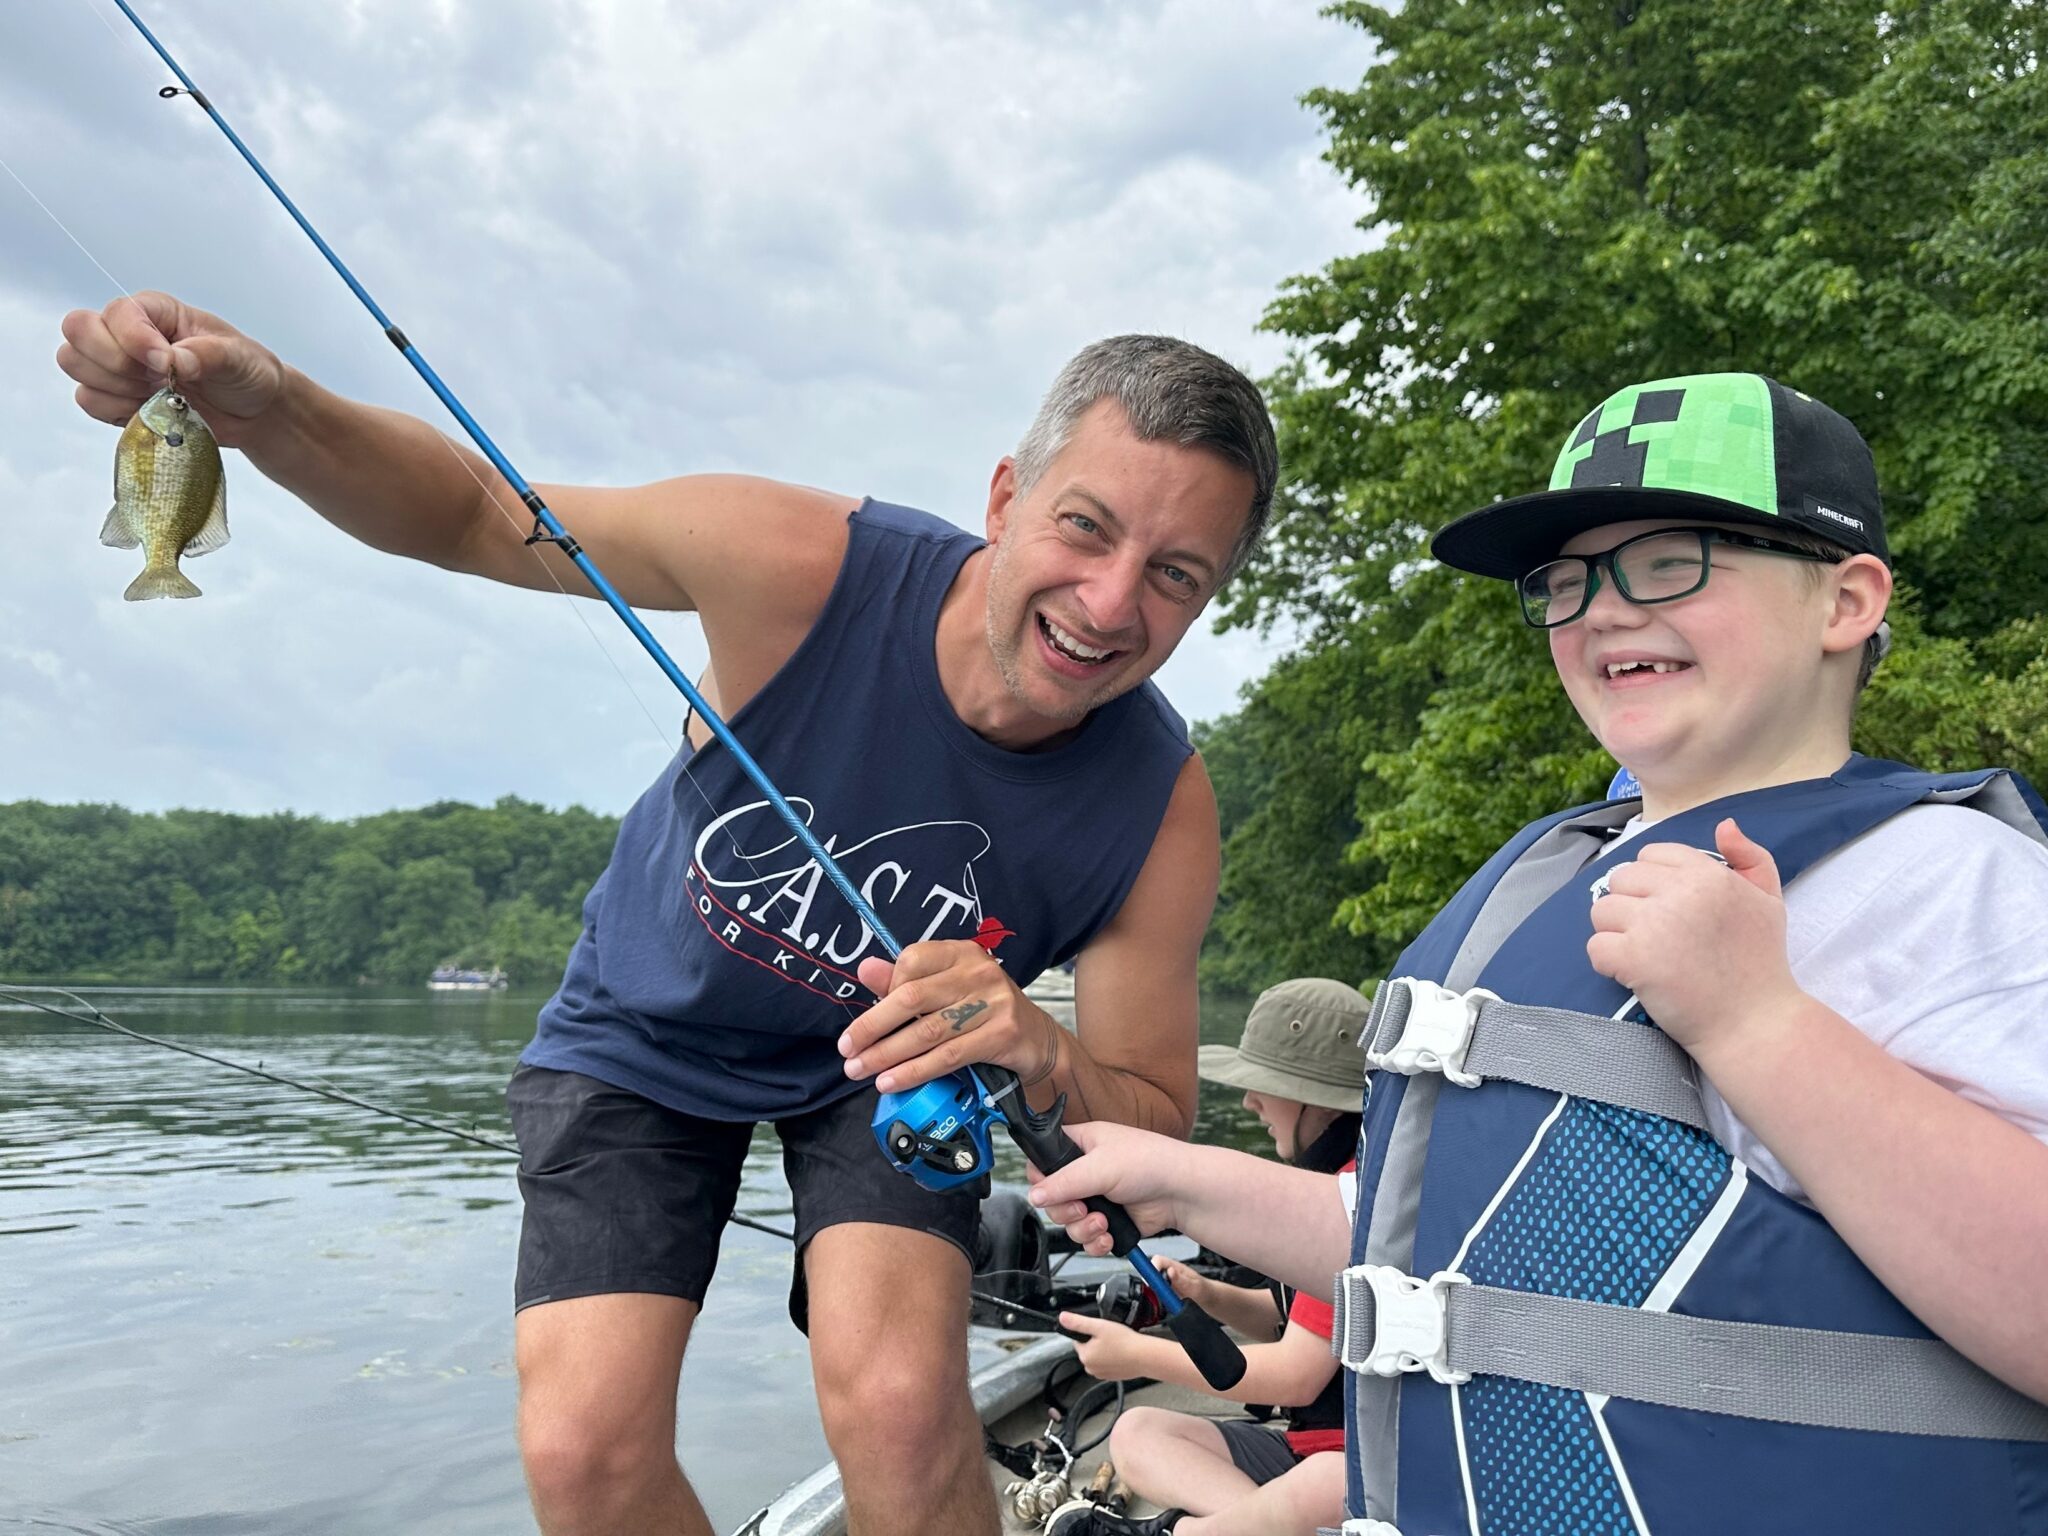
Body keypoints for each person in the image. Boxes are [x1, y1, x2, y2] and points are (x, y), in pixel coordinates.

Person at [57, 292, 1278, 1536]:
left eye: (1174, 575)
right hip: (642, 1030)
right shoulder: (801, 563)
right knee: (583, 1451)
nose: (1110, 602)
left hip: (891, 1077)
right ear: (1008, 497)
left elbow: (1150, 1115)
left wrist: (1038, 1046)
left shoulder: (1158, 805)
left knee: (903, 1410)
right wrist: (271, 411)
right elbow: (478, 513)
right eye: (1085, 527)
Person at [1029, 374, 2048, 1536]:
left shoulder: (1946, 884)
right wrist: (1178, 1180)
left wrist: (1758, 1024)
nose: (1601, 610)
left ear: (1844, 600)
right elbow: (1459, 1250)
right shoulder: (1545, 885)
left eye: (1669, 560)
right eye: (1562, 583)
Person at [1049, 977, 1365, 1536]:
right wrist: (1206, 1294)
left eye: (1263, 1084)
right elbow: (1292, 1323)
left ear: (1310, 1096)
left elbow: (1296, 1377)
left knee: (1321, 1486)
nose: (1249, 1101)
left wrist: (1140, 1355)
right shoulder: (1334, 1182)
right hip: (1308, 1451)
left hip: (1351, 1468)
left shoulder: (1353, 1201)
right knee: (1136, 1432)